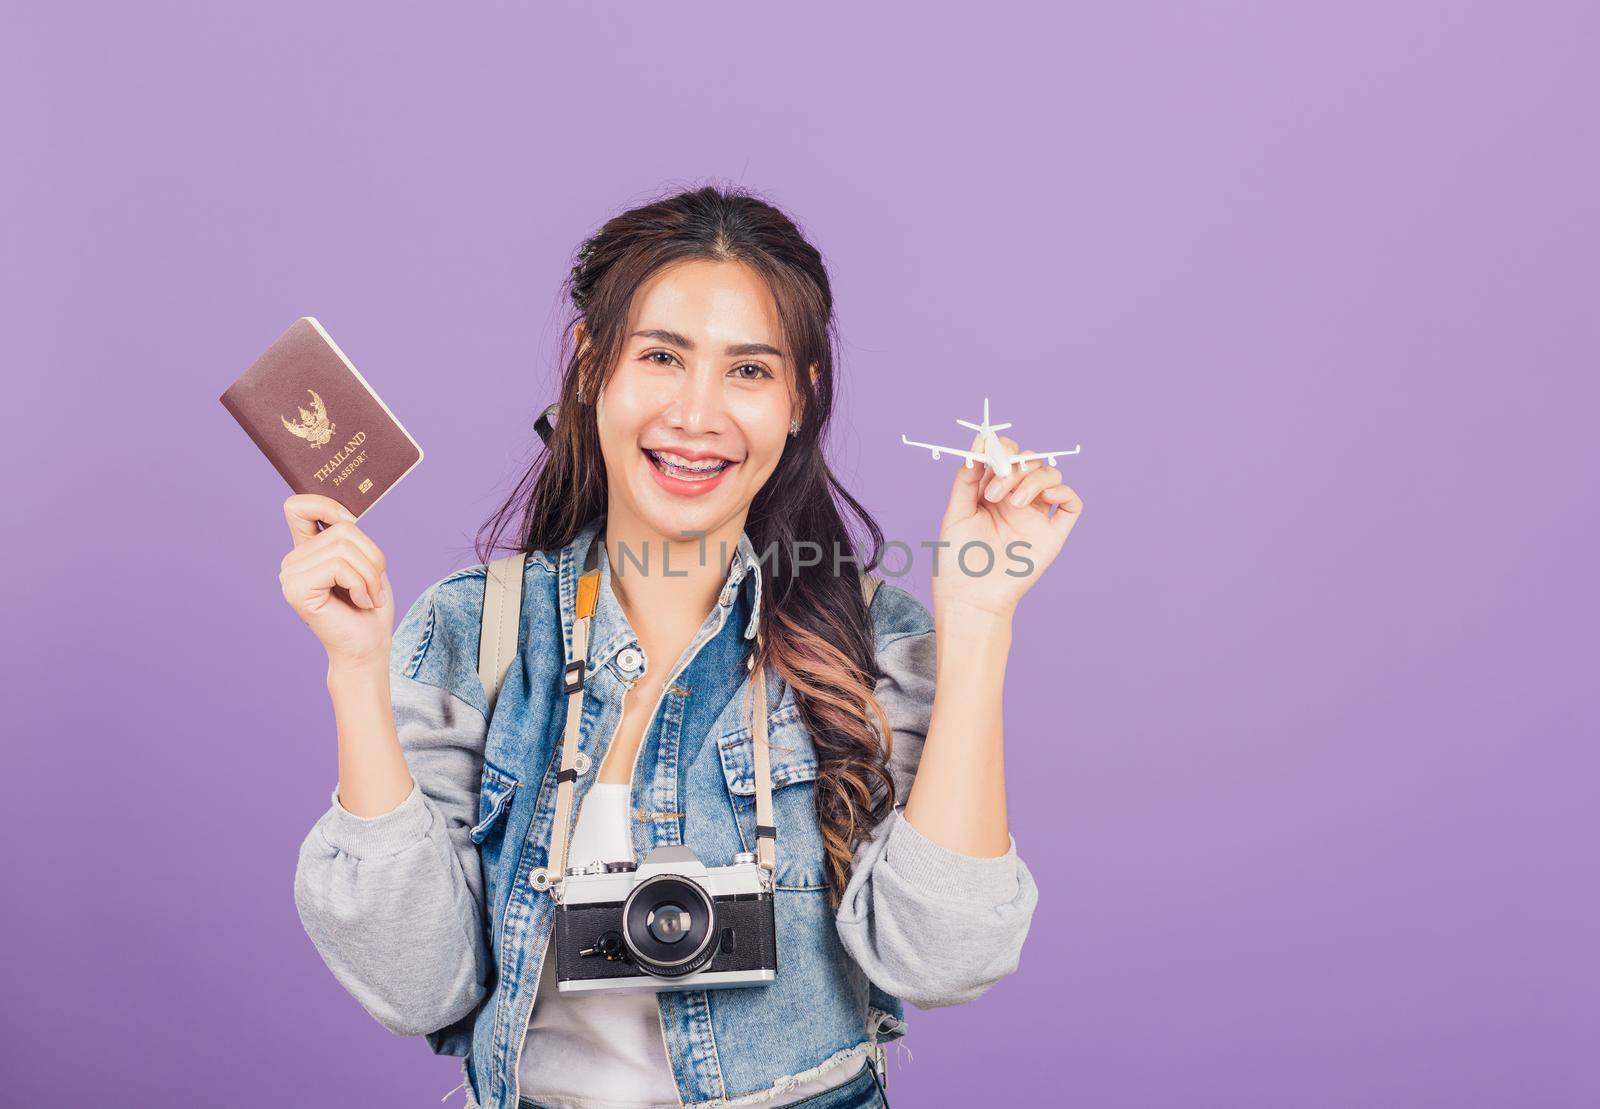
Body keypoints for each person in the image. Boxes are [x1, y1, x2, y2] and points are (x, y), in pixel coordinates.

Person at [283, 185, 1084, 1109]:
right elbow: (417, 985)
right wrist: (354, 668)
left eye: (749, 371)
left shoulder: (871, 646)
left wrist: (978, 619)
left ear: (800, 399)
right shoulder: (473, 635)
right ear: (590, 368)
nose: (697, 414)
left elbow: (943, 960)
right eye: (662, 356)